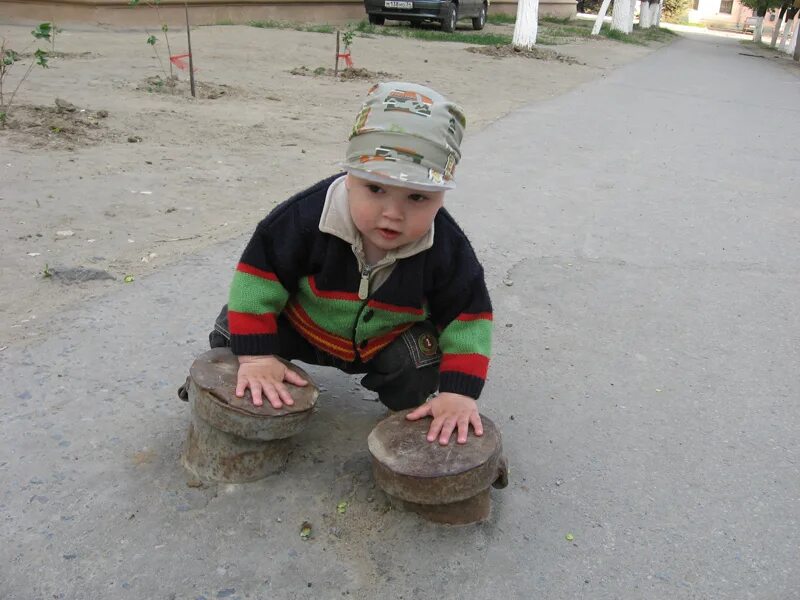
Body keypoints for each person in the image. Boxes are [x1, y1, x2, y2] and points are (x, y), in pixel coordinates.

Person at [210, 82, 493, 446]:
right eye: (375, 188)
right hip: (305, 326)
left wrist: (459, 393)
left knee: (422, 358)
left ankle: (406, 418)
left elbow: (468, 318)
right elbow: (258, 279)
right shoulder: (304, 217)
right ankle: (231, 382)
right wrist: (255, 355)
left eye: (418, 197)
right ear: (349, 176)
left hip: (385, 342)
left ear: (442, 197)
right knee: (235, 325)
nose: (392, 214)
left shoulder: (448, 248)